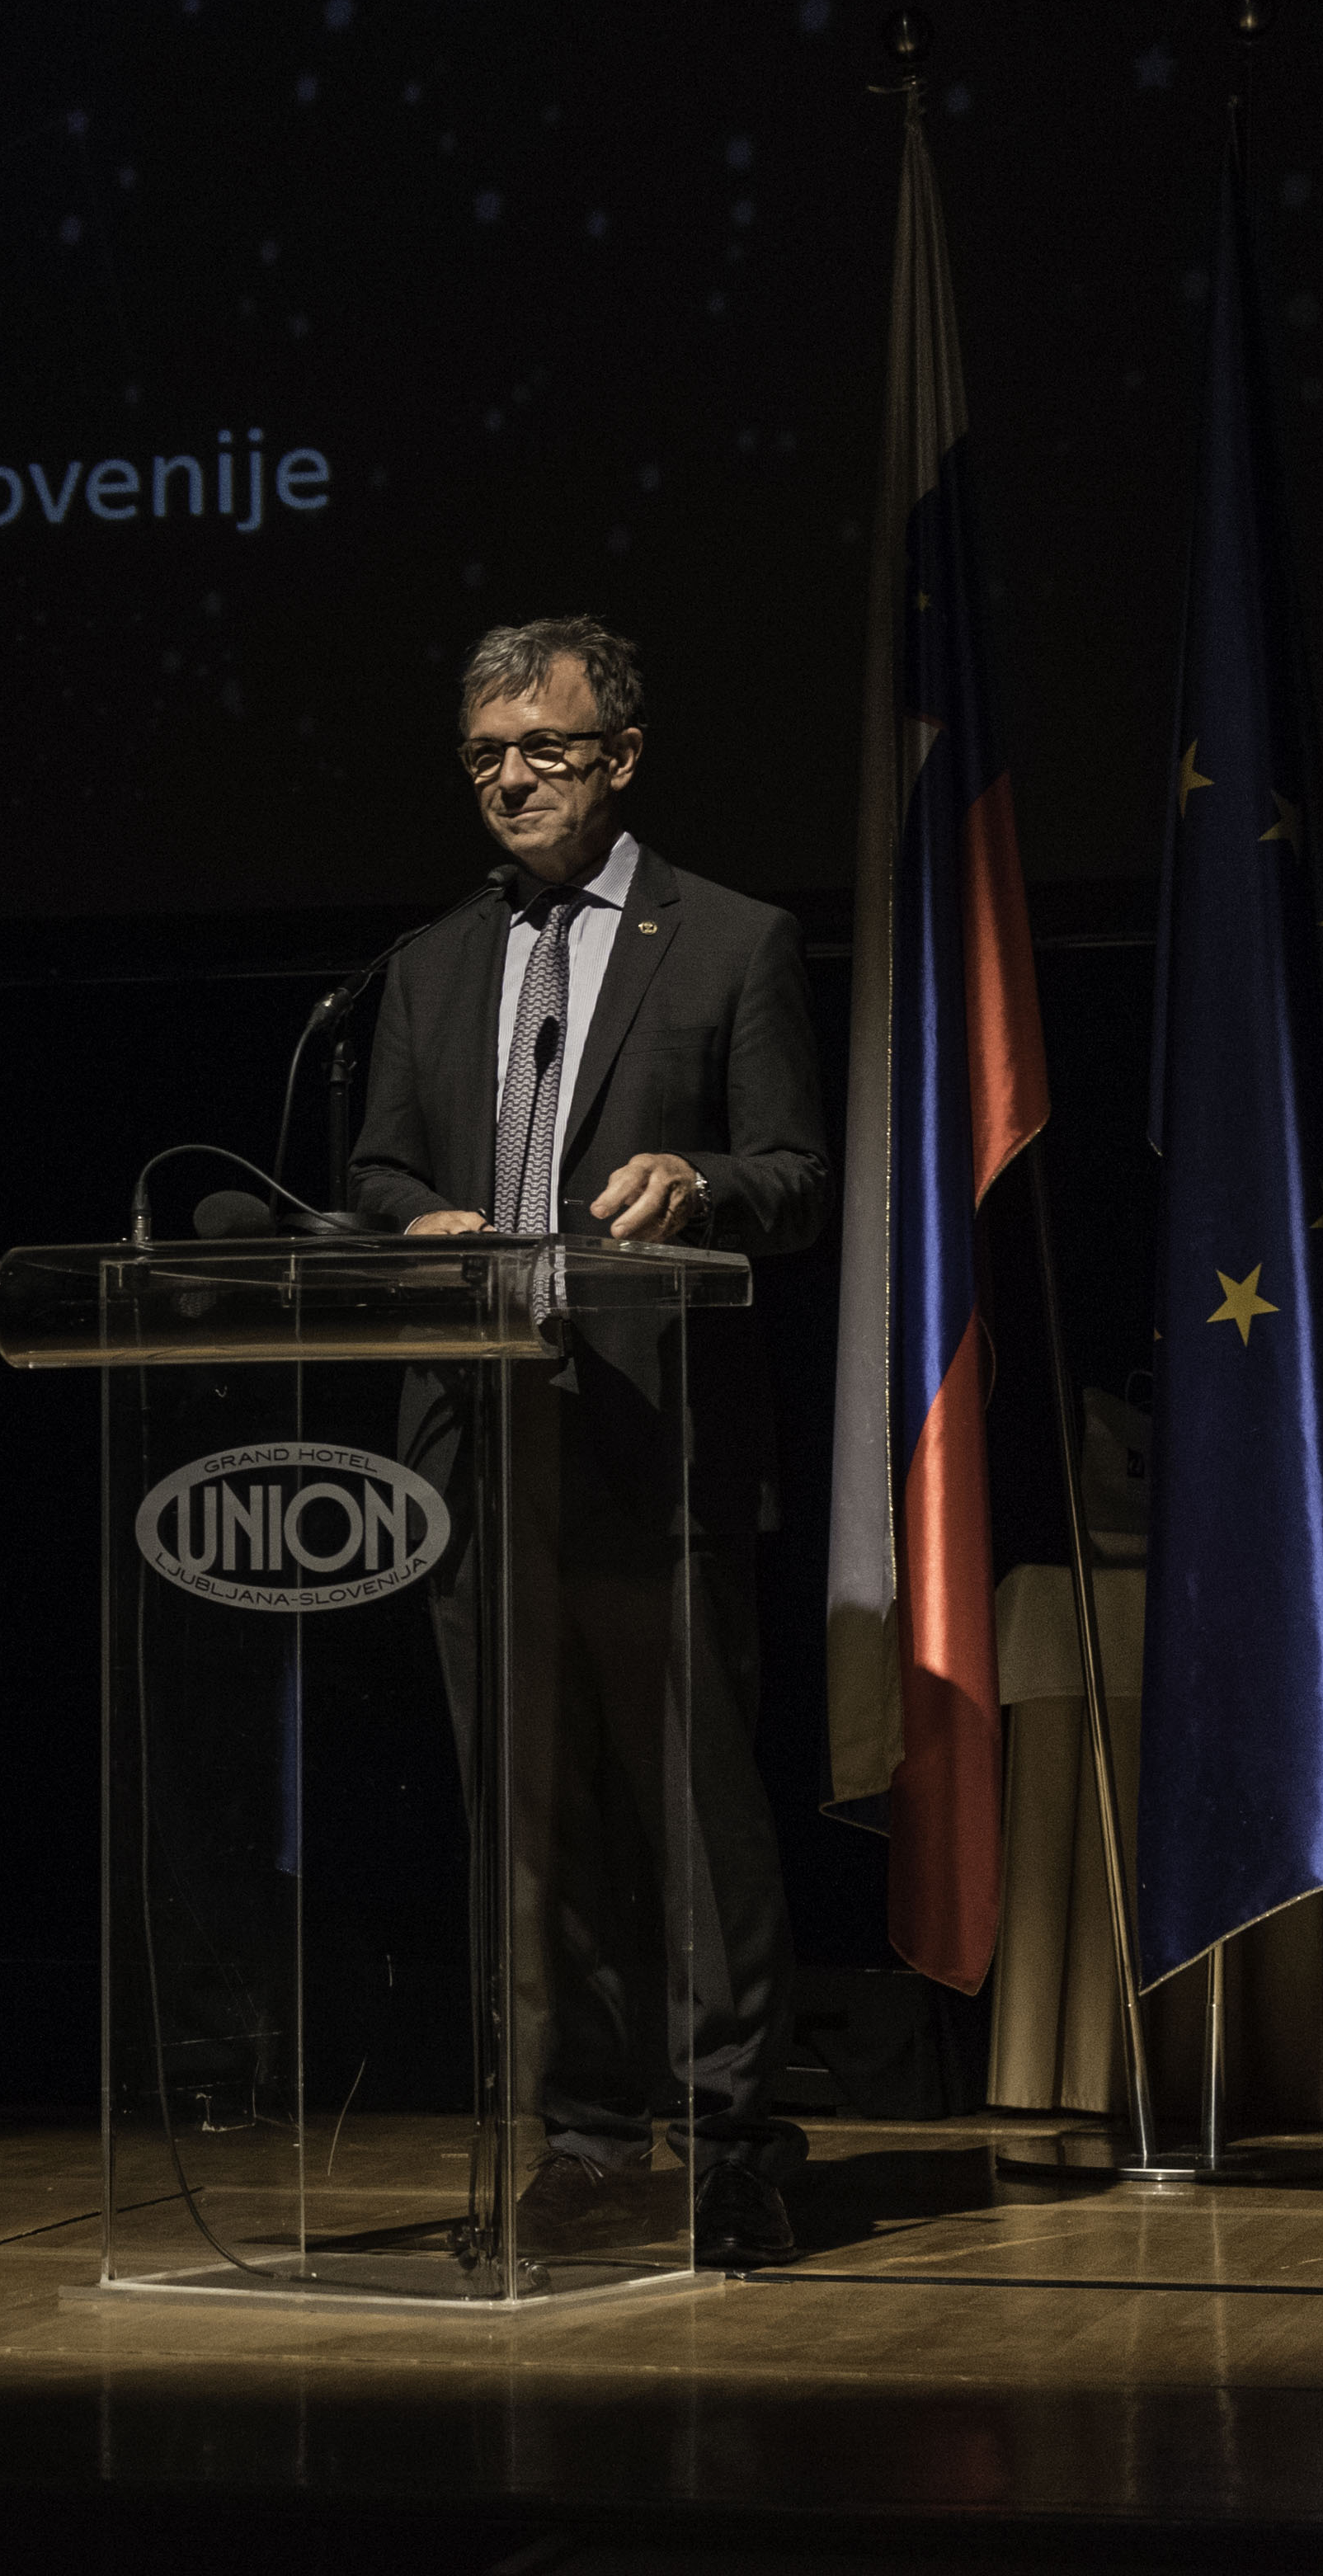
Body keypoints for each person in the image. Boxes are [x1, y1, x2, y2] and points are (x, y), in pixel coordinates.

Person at [347, 614, 831, 2268]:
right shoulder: (427, 963)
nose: (509, 781)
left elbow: (795, 1175)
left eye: (541, 750)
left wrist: (701, 1179)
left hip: (656, 1430)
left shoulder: (734, 942)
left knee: (692, 1805)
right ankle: (587, 2138)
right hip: (478, 1440)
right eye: (483, 756)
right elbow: (377, 1172)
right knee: (532, 1813)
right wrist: (416, 1223)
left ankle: (733, 2137)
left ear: (618, 757)